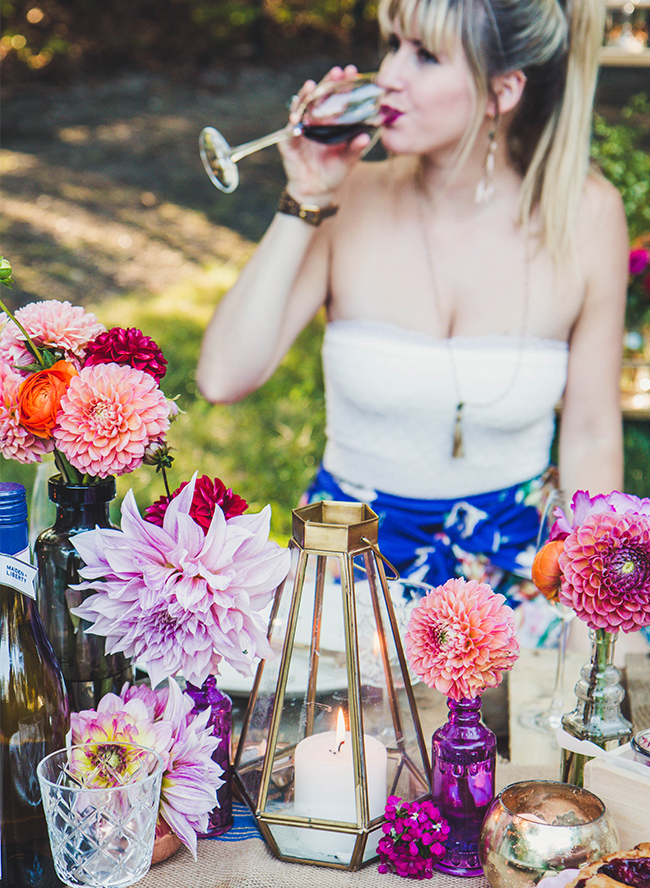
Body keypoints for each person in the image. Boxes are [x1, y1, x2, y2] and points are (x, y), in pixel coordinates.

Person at [197, 0, 630, 646]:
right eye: (393, 44)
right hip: (347, 577)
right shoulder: (349, 197)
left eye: (425, 56)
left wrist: (587, 625)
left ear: (502, 91)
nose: (389, 75)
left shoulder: (587, 215)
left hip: (519, 582)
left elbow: (592, 432)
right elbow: (222, 375)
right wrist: (305, 198)